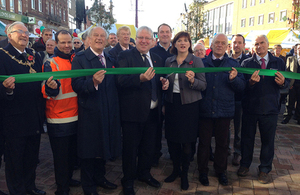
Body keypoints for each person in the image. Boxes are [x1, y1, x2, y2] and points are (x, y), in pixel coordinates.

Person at [117, 26, 169, 195]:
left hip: (153, 112)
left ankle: (144, 173)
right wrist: (139, 78)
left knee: (149, 147)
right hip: (132, 113)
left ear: (153, 41)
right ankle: (128, 180)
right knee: (131, 149)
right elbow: (120, 81)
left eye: (148, 38)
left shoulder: (156, 57)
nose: (144, 41)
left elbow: (160, 80)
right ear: (136, 39)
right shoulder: (125, 56)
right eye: (141, 38)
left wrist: (164, 84)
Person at [71, 26, 121, 195]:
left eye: (102, 36)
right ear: (89, 39)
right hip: (90, 112)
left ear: (106, 40)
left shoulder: (110, 57)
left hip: (109, 110)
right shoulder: (80, 58)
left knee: (104, 146)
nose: (100, 38)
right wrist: (92, 82)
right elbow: (76, 84)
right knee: (89, 151)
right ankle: (89, 186)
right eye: (96, 36)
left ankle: (101, 178)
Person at [0, 21, 47, 195]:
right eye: (20, 32)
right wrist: (6, 90)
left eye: (26, 32)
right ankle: (17, 190)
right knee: (15, 159)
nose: (24, 35)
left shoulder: (35, 55)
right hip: (14, 117)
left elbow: (41, 80)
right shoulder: (2, 55)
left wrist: (49, 84)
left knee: (32, 156)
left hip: (34, 115)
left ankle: (30, 186)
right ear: (9, 34)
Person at [238, 35, 289, 184]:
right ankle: (244, 165)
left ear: (267, 44)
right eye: (256, 44)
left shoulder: (278, 62)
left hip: (270, 109)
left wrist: (283, 83)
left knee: (268, 141)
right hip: (250, 108)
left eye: (262, 43)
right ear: (253, 46)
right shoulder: (246, 63)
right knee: (247, 139)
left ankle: (264, 169)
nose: (259, 46)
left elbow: (285, 86)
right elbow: (242, 87)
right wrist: (251, 83)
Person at [198, 33, 245, 187]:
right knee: (204, 143)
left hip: (224, 110)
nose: (219, 45)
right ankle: (203, 171)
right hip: (205, 109)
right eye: (216, 42)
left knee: (222, 144)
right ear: (211, 45)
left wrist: (234, 79)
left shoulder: (233, 64)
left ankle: (220, 171)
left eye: (222, 43)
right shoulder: (202, 62)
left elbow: (241, 87)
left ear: (227, 46)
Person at [163, 31, 206, 190]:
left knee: (187, 142)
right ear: (174, 44)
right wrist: (164, 84)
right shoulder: (169, 61)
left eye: (185, 41)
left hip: (189, 106)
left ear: (189, 44)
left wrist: (193, 80)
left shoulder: (196, 61)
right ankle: (176, 170)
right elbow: (165, 80)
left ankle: (185, 173)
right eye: (179, 41)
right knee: (172, 140)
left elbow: (203, 85)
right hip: (172, 104)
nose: (182, 43)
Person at [42, 30, 81, 195]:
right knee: (61, 157)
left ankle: (68, 178)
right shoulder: (51, 63)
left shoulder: (76, 60)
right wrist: (52, 88)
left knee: (72, 155)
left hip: (77, 116)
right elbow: (46, 90)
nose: (67, 45)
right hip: (58, 118)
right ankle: (62, 188)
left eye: (69, 42)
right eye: (63, 42)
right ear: (57, 44)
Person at [150, 23, 174, 167]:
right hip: (157, 94)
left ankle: (173, 152)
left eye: (167, 32)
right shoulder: (152, 51)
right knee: (156, 127)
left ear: (171, 34)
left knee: (172, 126)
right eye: (162, 32)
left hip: (173, 95)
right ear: (158, 34)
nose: (165, 34)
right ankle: (155, 153)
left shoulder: (176, 50)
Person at [230, 34, 249, 166]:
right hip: (226, 98)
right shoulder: (225, 59)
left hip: (241, 100)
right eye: (234, 42)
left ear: (243, 45)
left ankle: (237, 152)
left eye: (239, 42)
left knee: (239, 128)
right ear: (230, 45)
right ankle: (225, 149)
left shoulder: (248, 61)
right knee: (224, 127)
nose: (236, 45)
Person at [282, 43, 300, 124]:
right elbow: (287, 71)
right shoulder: (290, 58)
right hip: (293, 84)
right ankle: (286, 117)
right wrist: (289, 83)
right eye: (299, 48)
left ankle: (298, 118)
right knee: (289, 102)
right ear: (296, 49)